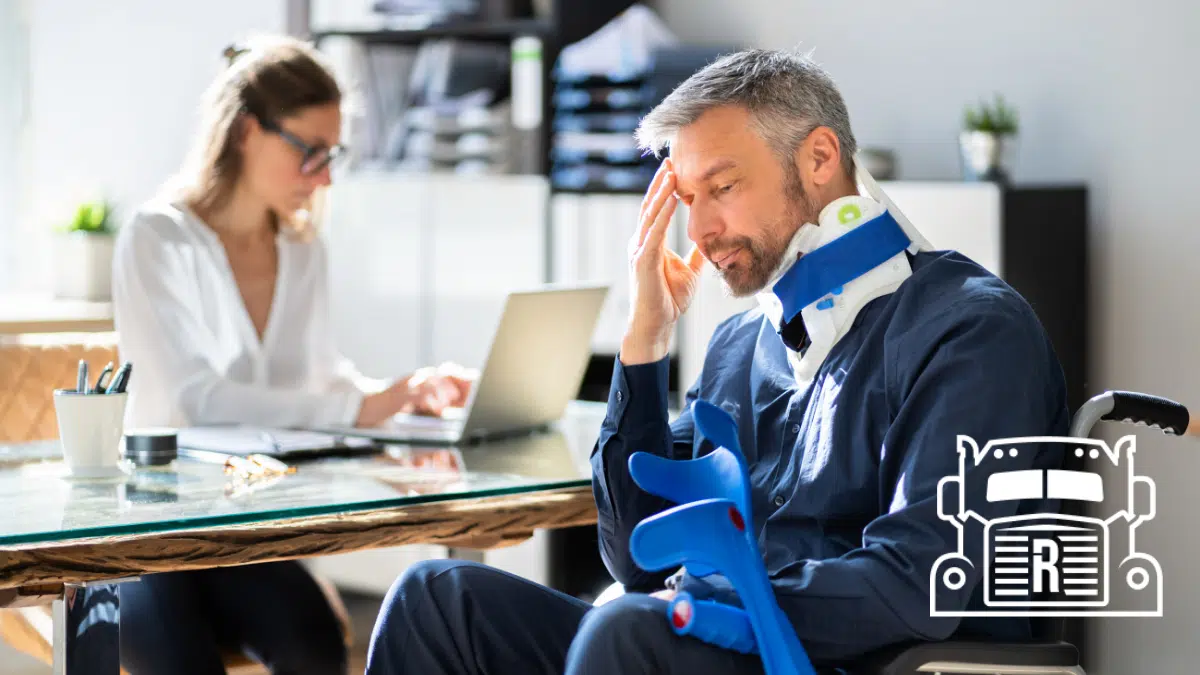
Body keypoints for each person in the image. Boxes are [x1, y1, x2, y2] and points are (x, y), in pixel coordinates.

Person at [363, 48, 1070, 675]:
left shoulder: (972, 330)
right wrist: (645, 344)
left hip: (861, 659)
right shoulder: (742, 345)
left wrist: (704, 600)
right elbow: (638, 559)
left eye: (723, 187)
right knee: (438, 598)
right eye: (688, 198)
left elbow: (917, 583)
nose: (698, 230)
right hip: (714, 641)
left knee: (627, 629)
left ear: (820, 159)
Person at [110, 36, 473, 674]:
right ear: (247, 131)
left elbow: (318, 377)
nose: (326, 175)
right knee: (177, 661)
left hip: (244, 534)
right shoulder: (157, 239)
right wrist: (362, 404)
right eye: (310, 151)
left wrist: (401, 394)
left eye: (332, 154)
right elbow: (198, 402)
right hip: (150, 536)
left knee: (315, 643)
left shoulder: (302, 247)